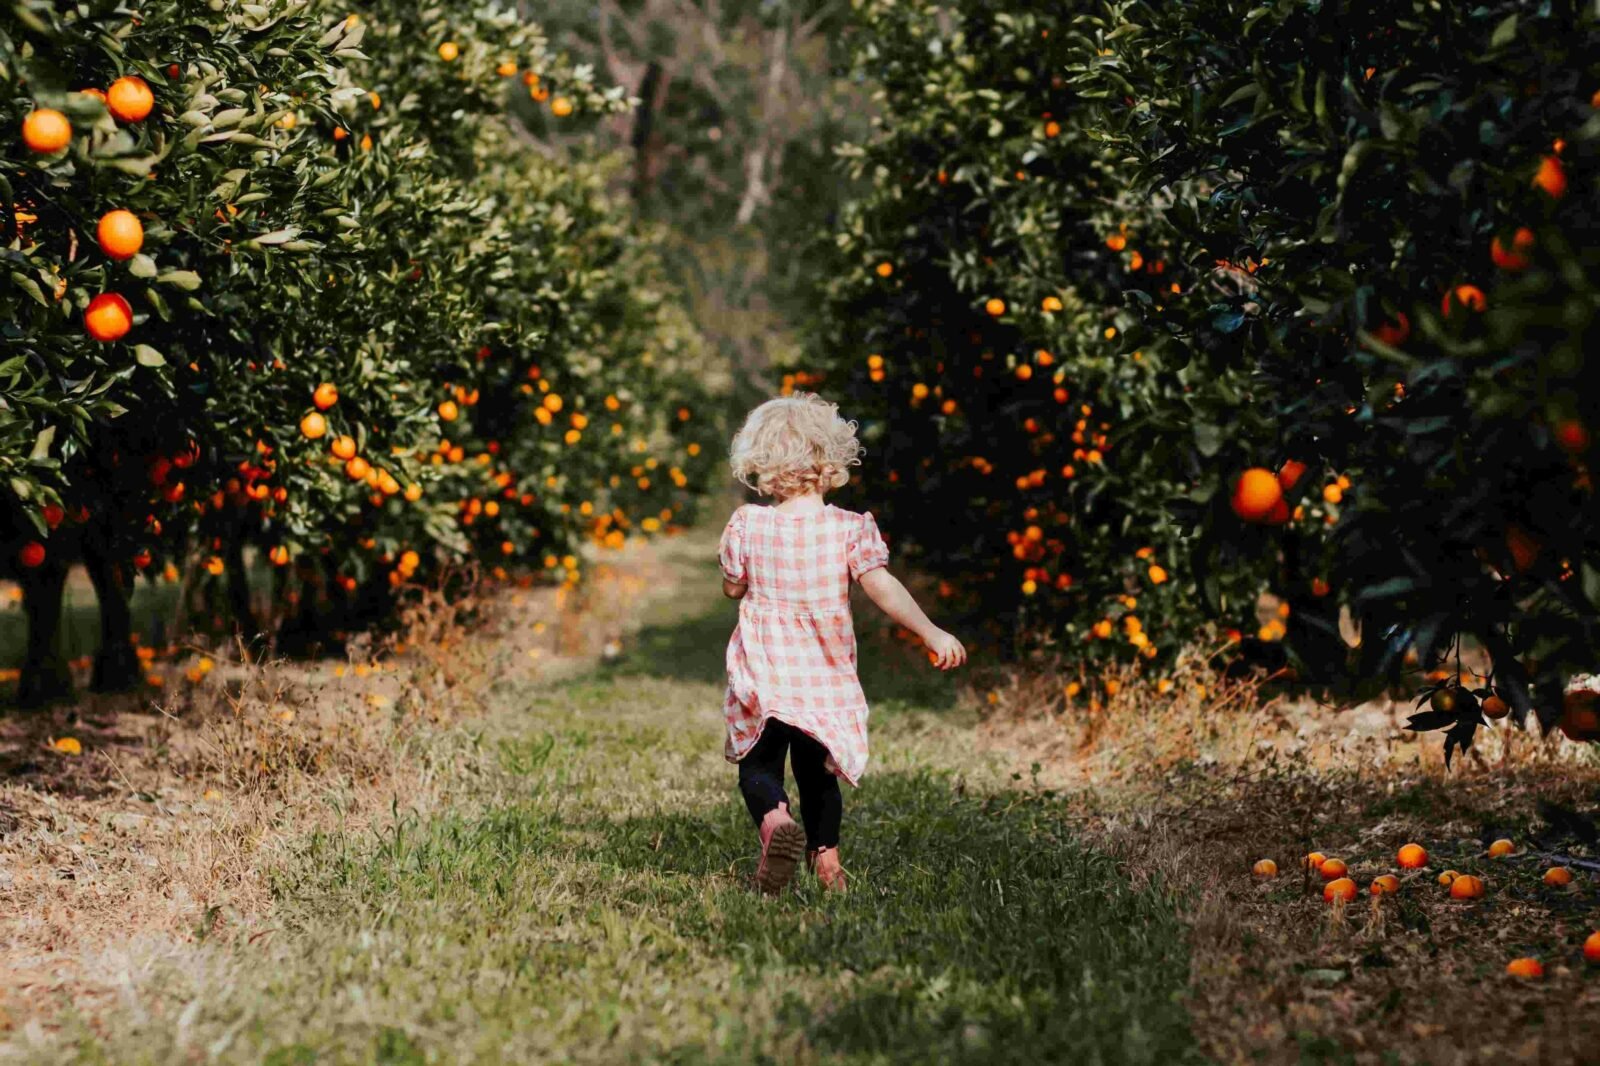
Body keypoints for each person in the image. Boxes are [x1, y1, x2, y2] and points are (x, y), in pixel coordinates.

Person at [718, 392, 966, 894]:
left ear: (761, 464)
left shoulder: (749, 523)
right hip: (823, 675)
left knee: (759, 765)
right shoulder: (851, 530)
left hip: (764, 672)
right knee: (817, 773)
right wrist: (930, 631)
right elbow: (881, 587)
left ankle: (774, 825)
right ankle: (826, 860)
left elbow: (732, 586)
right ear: (830, 461)